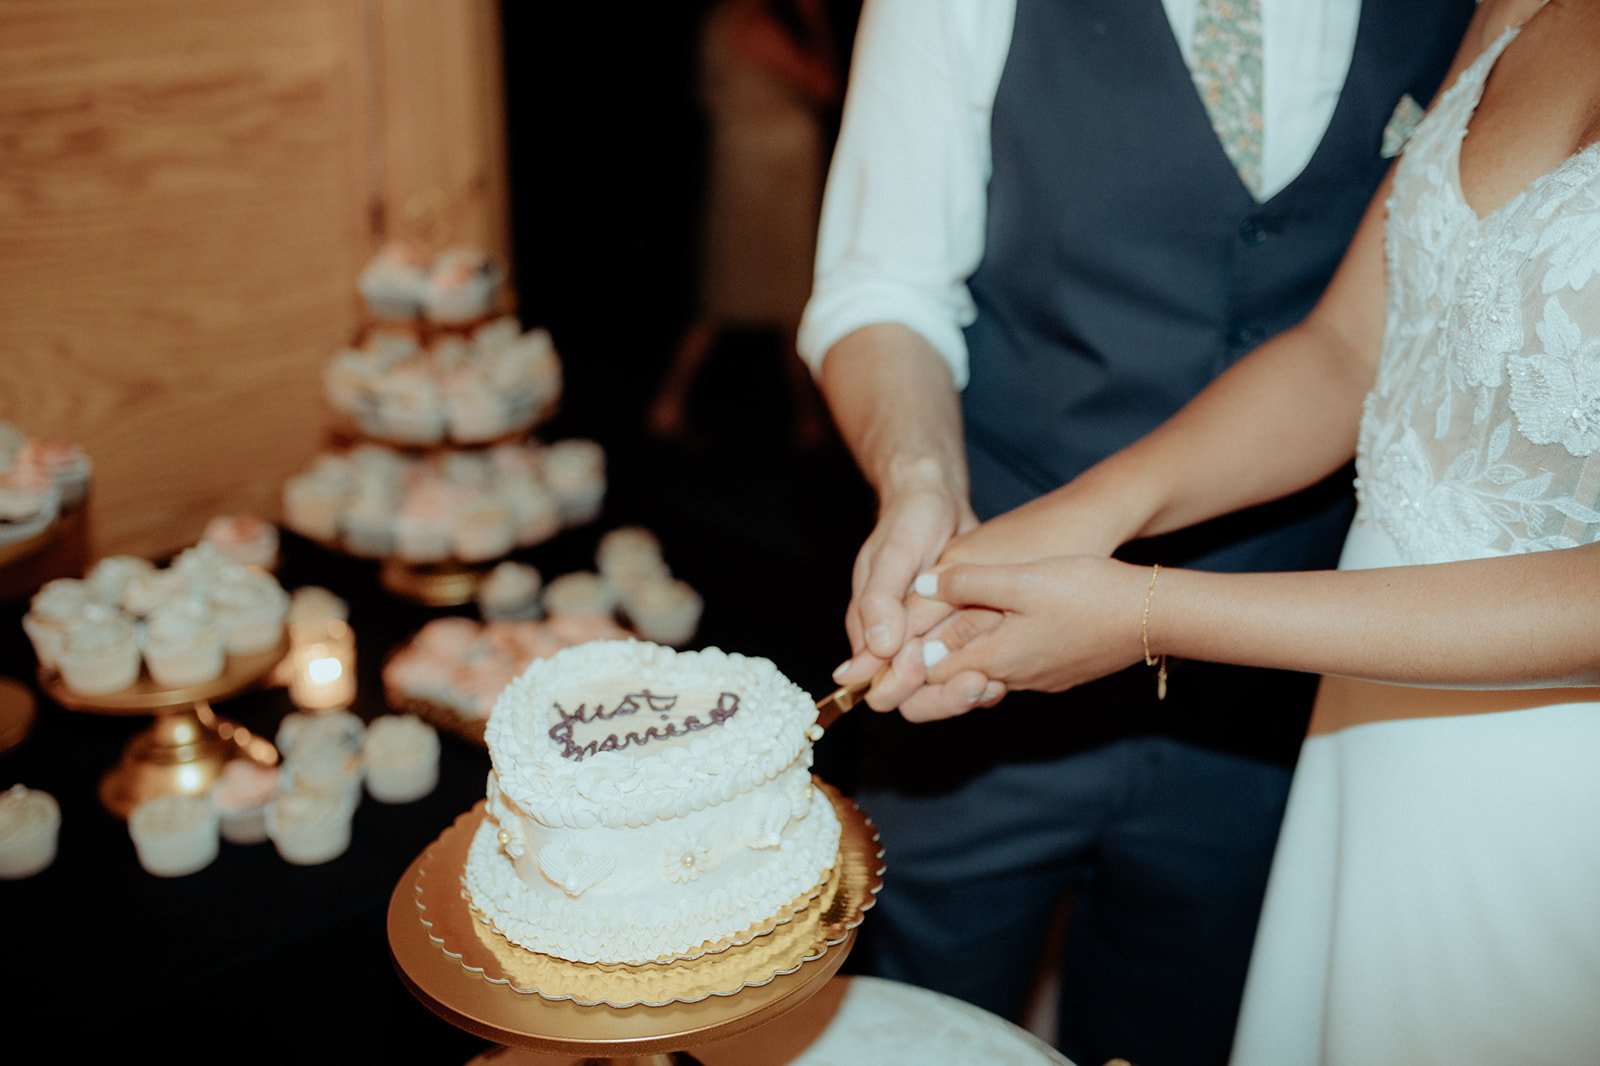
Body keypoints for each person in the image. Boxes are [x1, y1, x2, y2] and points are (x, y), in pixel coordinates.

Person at [878, 0, 1600, 1061]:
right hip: (1367, 725)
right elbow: (1349, 348)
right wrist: (1083, 519)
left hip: (1554, 793)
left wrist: (1151, 611)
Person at [647, 0, 839, 449]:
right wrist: (814, 22)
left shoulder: (722, 19)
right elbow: (824, 85)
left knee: (749, 294)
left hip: (749, 166)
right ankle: (810, 416)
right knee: (778, 292)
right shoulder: (757, 28)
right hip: (769, 177)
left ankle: (807, 415)